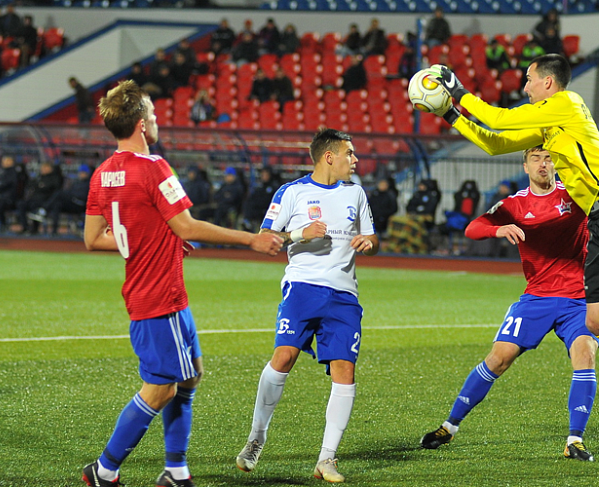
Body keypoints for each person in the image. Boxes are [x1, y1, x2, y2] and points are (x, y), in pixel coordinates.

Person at [431, 55, 599, 448]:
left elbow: (500, 119)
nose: (525, 87)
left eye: (529, 80)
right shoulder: (549, 127)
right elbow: (494, 142)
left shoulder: (568, 105)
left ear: (549, 83)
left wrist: (460, 92)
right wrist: (452, 114)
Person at [79, 80, 282, 487]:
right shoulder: (154, 167)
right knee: (161, 389)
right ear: (140, 125)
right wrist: (251, 239)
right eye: (152, 115)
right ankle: (103, 470)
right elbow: (187, 223)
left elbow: (92, 239)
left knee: (190, 376)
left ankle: (176, 470)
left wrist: (156, 234)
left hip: (162, 295)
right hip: (158, 299)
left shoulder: (103, 173)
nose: (156, 121)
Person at [420, 146, 599, 460]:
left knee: (585, 354)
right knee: (498, 358)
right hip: (536, 298)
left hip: (578, 300)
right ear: (525, 166)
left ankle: (574, 440)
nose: (543, 164)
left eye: (548, 157)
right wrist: (498, 228)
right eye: (535, 159)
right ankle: (449, 427)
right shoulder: (515, 204)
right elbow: (472, 228)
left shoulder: (575, 195)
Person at [235, 129, 379, 483]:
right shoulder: (292, 192)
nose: (355, 161)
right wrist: (300, 234)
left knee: (345, 371)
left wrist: (368, 242)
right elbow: (266, 236)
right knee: (284, 357)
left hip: (345, 295)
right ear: (329, 156)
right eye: (350, 154)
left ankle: (326, 459)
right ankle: (257, 437)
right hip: (302, 288)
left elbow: (373, 237)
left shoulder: (356, 193)